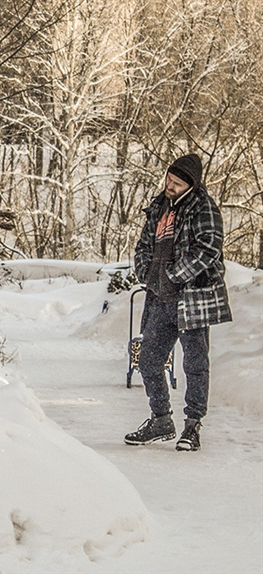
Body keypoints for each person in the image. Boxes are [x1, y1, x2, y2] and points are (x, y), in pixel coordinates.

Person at [125, 153, 232, 451]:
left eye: (175, 183)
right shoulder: (159, 206)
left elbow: (209, 246)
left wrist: (175, 275)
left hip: (192, 297)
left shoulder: (203, 207)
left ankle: (193, 426)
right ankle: (161, 419)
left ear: (190, 184)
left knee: (196, 364)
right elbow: (143, 244)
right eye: (168, 180)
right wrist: (145, 271)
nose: (169, 186)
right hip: (159, 298)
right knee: (148, 359)